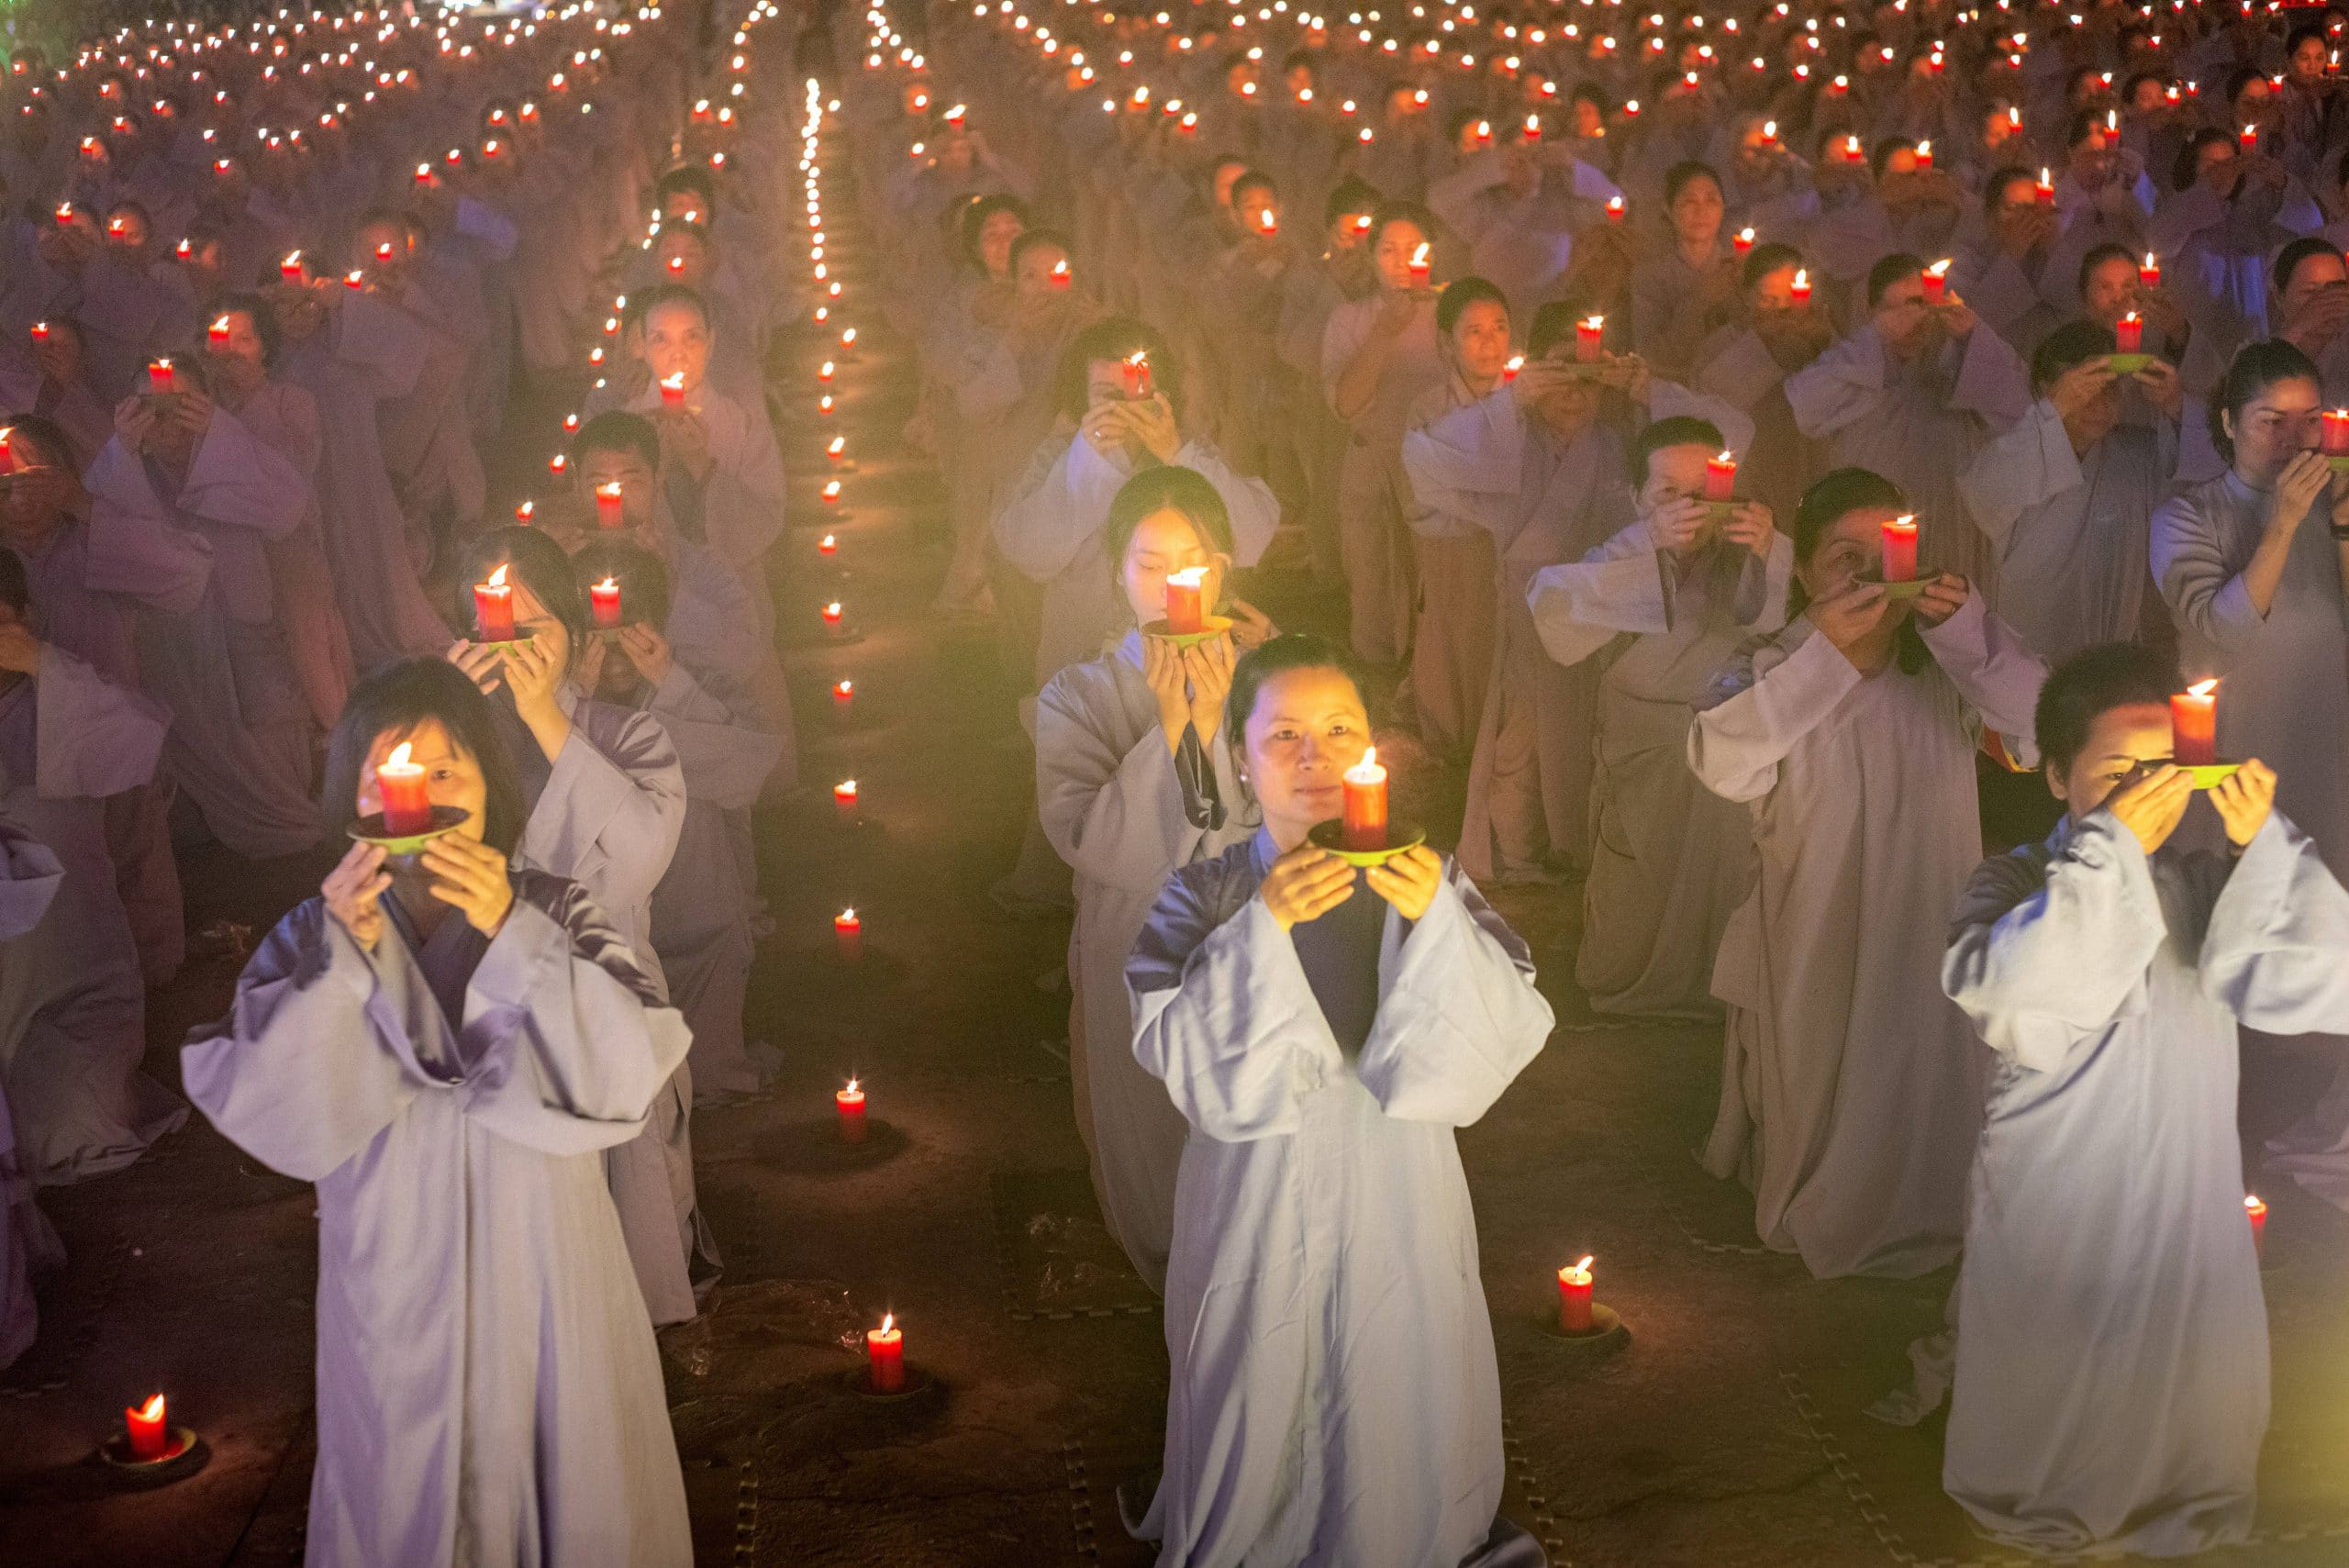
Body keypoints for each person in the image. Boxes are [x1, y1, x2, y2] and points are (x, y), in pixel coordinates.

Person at [182, 658, 693, 1567]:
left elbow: (627, 1067)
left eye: (445, 769)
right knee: (402, 1487)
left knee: (560, 1470)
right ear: (350, 800)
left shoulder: (557, 910)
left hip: (547, 1266)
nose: (417, 794)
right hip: (392, 1277)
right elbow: (265, 1100)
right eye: (388, 770)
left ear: (491, 786)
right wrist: (341, 960)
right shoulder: (312, 931)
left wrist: (513, 932)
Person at [1125, 633, 1553, 1568]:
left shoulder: (1430, 878)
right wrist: (1264, 925)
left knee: (1394, 1357)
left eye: (1339, 730)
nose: (1315, 756)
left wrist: (1433, 920)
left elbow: (1505, 1025)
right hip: (1253, 1194)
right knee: (1257, 1359)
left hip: (1398, 1185)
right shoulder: (1206, 891)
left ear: (1372, 750)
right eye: (1284, 734)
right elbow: (1175, 1048)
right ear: (1241, 757)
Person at [1913, 644, 2349, 1557]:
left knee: (2177, 1332)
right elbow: (2013, 994)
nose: (2147, 792)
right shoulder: (2009, 882)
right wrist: (2109, 849)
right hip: (2060, 1166)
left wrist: (2260, 845)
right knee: (2062, 1330)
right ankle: (2044, 1484)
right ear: (2056, 775)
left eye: (2164, 769)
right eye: (2117, 773)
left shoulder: (2197, 881)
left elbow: (2315, 979)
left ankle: (2181, 1480)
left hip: (2185, 1166)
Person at [1688, 468, 2045, 1277]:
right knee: (1824, 1071)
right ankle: (1829, 1191)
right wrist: (1822, 652)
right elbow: (1720, 761)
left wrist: (1967, 630)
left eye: (1887, 553)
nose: (1869, 575)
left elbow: (2038, 728)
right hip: (1817, 918)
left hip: (1929, 909)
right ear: (1806, 573)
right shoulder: (1771, 664)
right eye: (1844, 557)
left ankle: (1929, 1195)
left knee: (1924, 1062)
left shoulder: (1945, 673)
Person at [449, 527, 704, 1325]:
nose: (513, 648)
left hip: (605, 1008)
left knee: (622, 1232)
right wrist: (441, 722)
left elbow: (634, 862)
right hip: (490, 1020)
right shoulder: (445, 747)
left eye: (534, 628)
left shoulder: (628, 736)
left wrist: (543, 719)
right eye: (495, 627)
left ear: (572, 630)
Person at [1034, 468, 1272, 1290]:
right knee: (1152, 1131)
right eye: (1149, 563)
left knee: (1241, 1136)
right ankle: (1170, 1277)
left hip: (1248, 937)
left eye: (1192, 562)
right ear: (1116, 572)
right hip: (1135, 938)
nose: (1173, 583)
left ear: (1223, 569)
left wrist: (1245, 701)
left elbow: (1280, 816)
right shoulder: (1078, 695)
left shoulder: (1264, 680)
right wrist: (1177, 727)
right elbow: (1093, 838)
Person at [2150, 340, 2349, 1204]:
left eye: (2309, 422)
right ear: (2229, 423)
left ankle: (2292, 1136)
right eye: (2272, 421)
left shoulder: (2335, 506)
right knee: (2225, 942)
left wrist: (2339, 525)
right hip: (2234, 756)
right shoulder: (2186, 515)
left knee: (2316, 935)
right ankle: (2210, 1152)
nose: (2294, 441)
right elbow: (2223, 630)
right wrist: (2284, 524)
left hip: (2324, 747)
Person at [1529, 417, 1790, 1017]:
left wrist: (1770, 550)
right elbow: (1552, 611)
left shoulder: (1753, 546)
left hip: (1726, 740)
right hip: (1642, 740)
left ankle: (1719, 987)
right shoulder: (1621, 553)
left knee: (1725, 868)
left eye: (1703, 490)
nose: (1688, 507)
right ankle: (1632, 981)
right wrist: (1647, 546)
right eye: (1668, 492)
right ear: (1637, 497)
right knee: (1636, 884)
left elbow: (1778, 625)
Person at [572, 537, 783, 1104]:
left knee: (704, 1066)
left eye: (629, 635)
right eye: (599, 640)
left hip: (698, 905)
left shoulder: (696, 683)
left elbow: (747, 769)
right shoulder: (559, 705)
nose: (617, 657)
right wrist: (574, 703)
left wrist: (673, 684)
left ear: (658, 625)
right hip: (608, 923)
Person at [0, 547, 182, 1182]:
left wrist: (42, 663)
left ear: (24, 618)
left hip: (68, 984)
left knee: (77, 1129)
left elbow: (142, 737)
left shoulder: (64, 702)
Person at [1787, 251, 2032, 587]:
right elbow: (1804, 403)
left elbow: (2020, 413)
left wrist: (1971, 335)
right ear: (1872, 312)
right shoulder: (1856, 367)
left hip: (1950, 531)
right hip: (1872, 536)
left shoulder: (1956, 367)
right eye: (1897, 310)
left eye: (1920, 305)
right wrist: (1878, 336)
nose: (1912, 320)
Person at [1960, 320, 2183, 661]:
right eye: (2083, 390)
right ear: (2047, 390)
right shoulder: (2017, 453)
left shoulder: (2137, 457)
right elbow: (1983, 495)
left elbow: (2197, 480)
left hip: (2113, 657)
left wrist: (2176, 405)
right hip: (2029, 656)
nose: (2098, 403)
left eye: (2110, 389)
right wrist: (2053, 412)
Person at [1321, 205, 1446, 666]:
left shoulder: (1451, 315)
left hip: (1437, 470)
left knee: (1435, 592)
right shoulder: (1350, 319)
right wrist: (1383, 333)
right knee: (1373, 590)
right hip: (1372, 467)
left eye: (1412, 249)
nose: (1401, 261)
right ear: (1371, 257)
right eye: (1389, 250)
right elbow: (1346, 405)